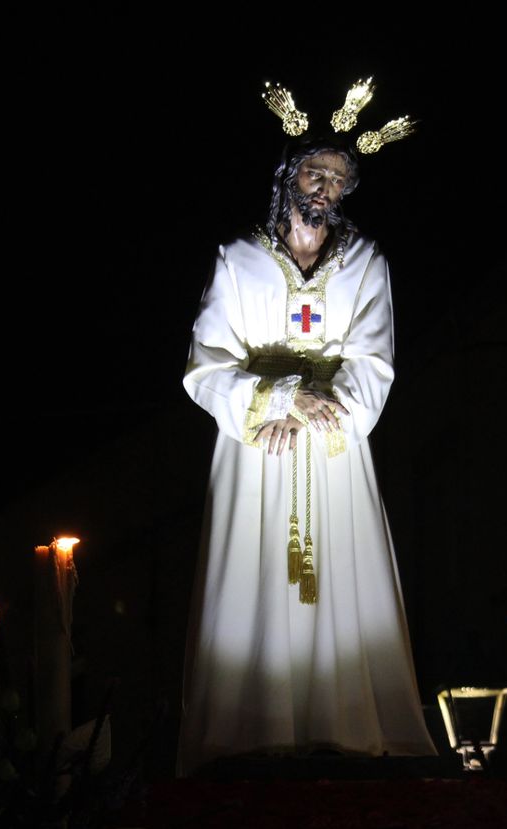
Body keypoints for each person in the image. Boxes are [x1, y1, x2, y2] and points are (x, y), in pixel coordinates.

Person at [177, 132, 438, 774]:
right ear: (287, 176)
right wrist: (277, 396)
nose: (326, 189)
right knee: (255, 570)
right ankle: (249, 730)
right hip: (258, 448)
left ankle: (339, 724)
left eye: (338, 178)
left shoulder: (365, 262)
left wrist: (325, 408)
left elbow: (374, 361)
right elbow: (205, 366)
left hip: (331, 448)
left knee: (341, 576)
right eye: (315, 173)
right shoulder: (238, 260)